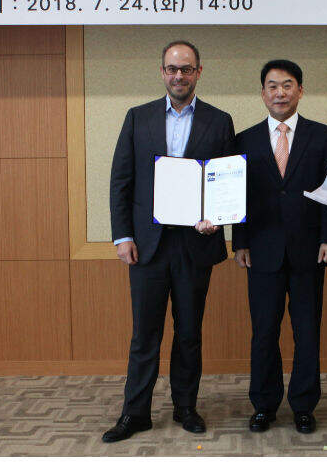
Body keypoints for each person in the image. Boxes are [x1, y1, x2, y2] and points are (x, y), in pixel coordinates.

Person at [103, 40, 235, 443]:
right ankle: (136, 413)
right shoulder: (137, 118)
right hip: (147, 245)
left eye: (187, 69)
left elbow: (228, 181)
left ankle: (185, 407)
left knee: (190, 331)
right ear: (162, 72)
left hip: (195, 243)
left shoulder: (219, 120)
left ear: (199, 72)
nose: (179, 75)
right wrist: (122, 236)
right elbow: (121, 181)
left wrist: (219, 217)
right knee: (145, 333)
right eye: (172, 69)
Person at [232, 60, 327, 434]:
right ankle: (263, 404)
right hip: (260, 249)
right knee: (264, 331)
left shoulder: (322, 135)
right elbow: (238, 196)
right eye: (272, 86)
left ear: (300, 91)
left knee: (307, 330)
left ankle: (304, 405)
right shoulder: (243, 139)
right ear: (262, 93)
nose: (280, 92)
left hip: (310, 249)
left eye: (288, 85)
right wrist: (240, 241)